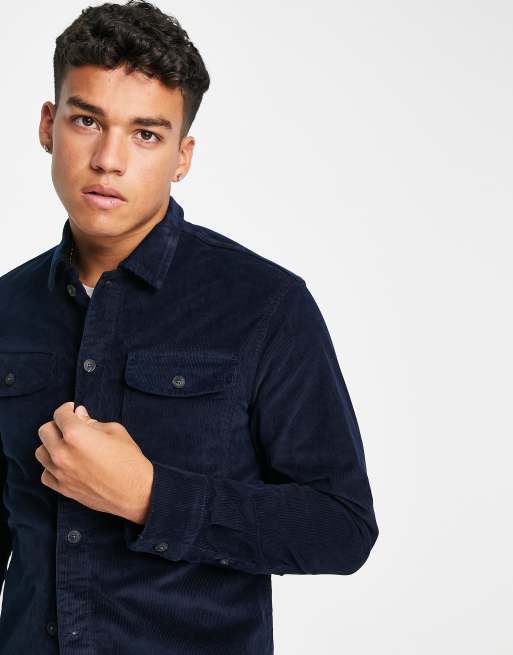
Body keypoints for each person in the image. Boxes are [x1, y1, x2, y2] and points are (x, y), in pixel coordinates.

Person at [0, 1, 379, 653]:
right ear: (47, 125)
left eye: (145, 134)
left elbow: (341, 527)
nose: (109, 159)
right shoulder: (8, 306)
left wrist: (151, 496)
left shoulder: (266, 306)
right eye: (87, 120)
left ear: (182, 155)